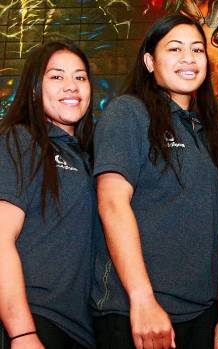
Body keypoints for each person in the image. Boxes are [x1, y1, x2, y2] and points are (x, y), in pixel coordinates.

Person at [91, 14, 218, 349]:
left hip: (201, 319)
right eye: (175, 49)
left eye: (197, 50)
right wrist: (142, 301)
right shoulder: (129, 112)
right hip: (137, 313)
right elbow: (112, 202)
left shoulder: (204, 134)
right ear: (149, 61)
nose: (188, 58)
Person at [0, 40, 96, 349]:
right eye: (56, 76)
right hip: (35, 321)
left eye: (80, 77)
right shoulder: (21, 140)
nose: (72, 86)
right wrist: (21, 333)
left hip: (83, 330)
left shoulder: (91, 158)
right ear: (33, 88)